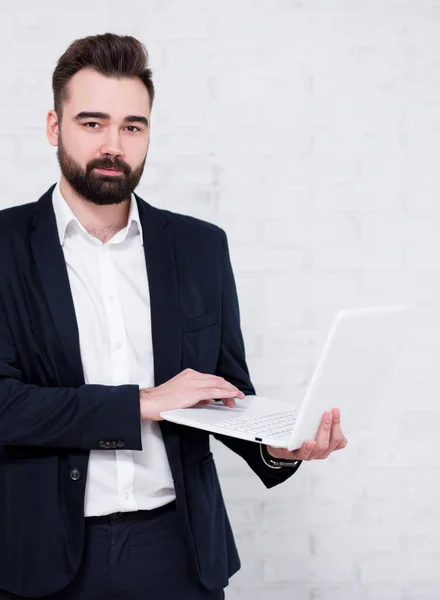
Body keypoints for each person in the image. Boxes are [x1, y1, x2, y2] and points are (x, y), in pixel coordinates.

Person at [0, 33, 347, 600]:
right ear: (52, 127)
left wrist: (276, 444)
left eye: (132, 126)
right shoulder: (5, 246)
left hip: (178, 551)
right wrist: (141, 402)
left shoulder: (200, 247)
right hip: (40, 555)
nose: (113, 144)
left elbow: (224, 392)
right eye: (92, 123)